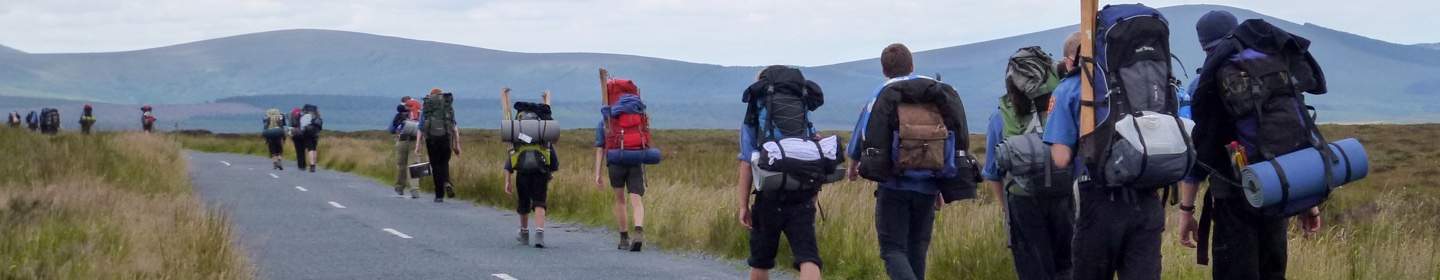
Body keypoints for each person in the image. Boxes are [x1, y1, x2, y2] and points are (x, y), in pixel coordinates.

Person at [1177, 11, 1325, 279]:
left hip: (1234, 197)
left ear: (1204, 46)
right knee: (1272, 272)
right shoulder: (1273, 69)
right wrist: (1309, 202)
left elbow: (1201, 152)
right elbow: (1294, 131)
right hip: (1278, 188)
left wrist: (1186, 210)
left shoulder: (1207, 82)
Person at [1045, 30, 1168, 280]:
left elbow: (1061, 158)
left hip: (1098, 200)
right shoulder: (1140, 81)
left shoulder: (1071, 87)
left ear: (1070, 60)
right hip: (1147, 194)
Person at [847, 43, 970, 280]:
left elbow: (863, 133)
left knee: (893, 249)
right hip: (929, 184)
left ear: (884, 71)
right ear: (912, 66)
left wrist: (853, 164)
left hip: (893, 184)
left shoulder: (882, 93)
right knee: (917, 250)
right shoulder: (934, 93)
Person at [982, 46, 1073, 280]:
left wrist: (1006, 207)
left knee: (1032, 268)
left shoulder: (1001, 117)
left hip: (1023, 200)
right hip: (1065, 197)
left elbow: (993, 173)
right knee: (1067, 265)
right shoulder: (1064, 107)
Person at [736, 65, 828, 280]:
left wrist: (742, 206)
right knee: (808, 258)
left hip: (768, 196)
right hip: (802, 195)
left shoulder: (756, 113)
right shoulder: (802, 111)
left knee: (761, 261)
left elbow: (747, 163)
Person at [593, 79, 651, 251]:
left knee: (620, 200)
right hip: (635, 159)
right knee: (637, 200)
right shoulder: (639, 116)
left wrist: (597, 173)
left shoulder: (607, 119)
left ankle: (624, 237)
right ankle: (638, 231)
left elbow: (600, 149)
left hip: (616, 161)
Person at [504, 102, 560, 248]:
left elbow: (510, 159)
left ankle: (524, 233)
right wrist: (551, 171)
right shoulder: (542, 135)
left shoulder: (516, 136)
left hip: (522, 172)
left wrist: (507, 181)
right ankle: (539, 234)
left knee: (523, 203)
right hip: (541, 171)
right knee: (539, 202)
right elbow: (554, 159)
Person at [416, 88, 460, 202]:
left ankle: (439, 195)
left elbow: (420, 129)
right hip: (445, 138)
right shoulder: (447, 107)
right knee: (444, 163)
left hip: (431, 140)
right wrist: (457, 146)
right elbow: (454, 129)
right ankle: (446, 181)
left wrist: (418, 146)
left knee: (435, 166)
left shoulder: (427, 107)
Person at [391, 97, 423, 198]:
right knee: (414, 165)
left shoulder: (400, 114)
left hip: (402, 141)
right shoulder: (418, 114)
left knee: (401, 165)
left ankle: (400, 187)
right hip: (415, 142)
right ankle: (414, 189)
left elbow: (392, 128)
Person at [297, 104, 323, 172]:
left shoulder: (304, 113)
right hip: (315, 132)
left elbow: (300, 122)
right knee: (314, 148)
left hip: (307, 132)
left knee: (310, 149)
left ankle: (312, 165)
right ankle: (314, 165)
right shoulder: (317, 114)